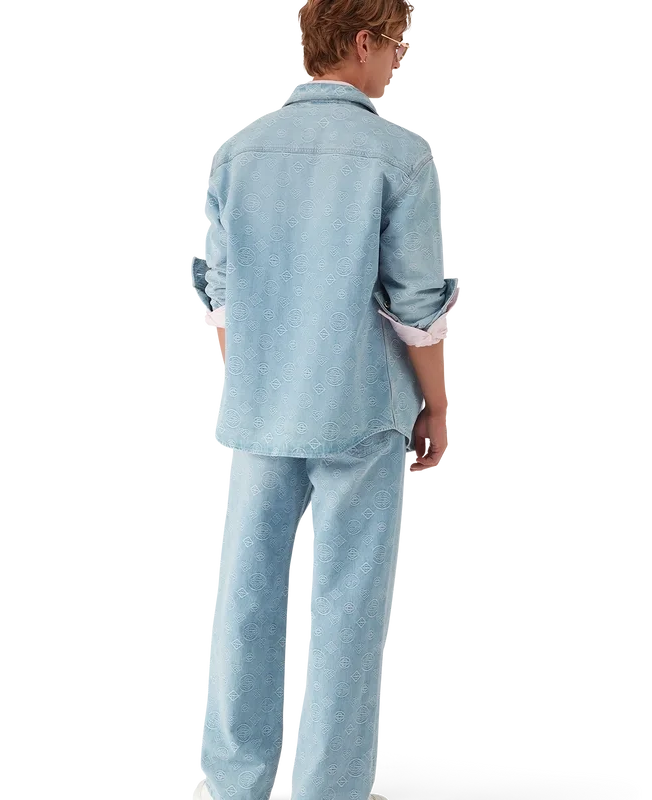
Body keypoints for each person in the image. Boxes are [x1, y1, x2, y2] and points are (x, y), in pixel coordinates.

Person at [191, 1, 458, 798]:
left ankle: (233, 783)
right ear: (365, 41)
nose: (401, 62)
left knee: (245, 598)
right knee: (346, 608)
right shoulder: (398, 154)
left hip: (258, 406)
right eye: (400, 45)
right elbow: (419, 305)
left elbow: (222, 301)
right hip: (359, 410)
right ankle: (329, 790)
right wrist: (437, 408)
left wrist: (258, 382)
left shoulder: (238, 147)